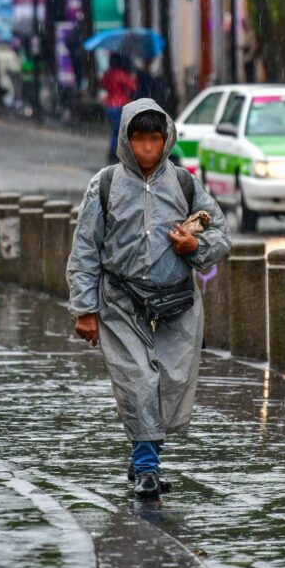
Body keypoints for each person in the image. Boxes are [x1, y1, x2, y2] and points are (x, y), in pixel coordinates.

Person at [67, 99, 231, 499]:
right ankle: (146, 469)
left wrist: (193, 245)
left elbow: (221, 236)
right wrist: (85, 308)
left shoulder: (184, 183)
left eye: (154, 140)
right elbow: (85, 249)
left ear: (165, 140)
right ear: (126, 139)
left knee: (170, 383)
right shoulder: (104, 184)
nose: (146, 149)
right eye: (139, 139)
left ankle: (145, 452)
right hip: (120, 303)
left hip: (177, 303)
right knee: (138, 381)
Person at [100, 53, 137, 163]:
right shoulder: (121, 74)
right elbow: (133, 87)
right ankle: (115, 153)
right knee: (119, 131)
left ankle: (113, 152)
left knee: (114, 130)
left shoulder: (108, 74)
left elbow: (103, 84)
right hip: (120, 105)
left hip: (109, 105)